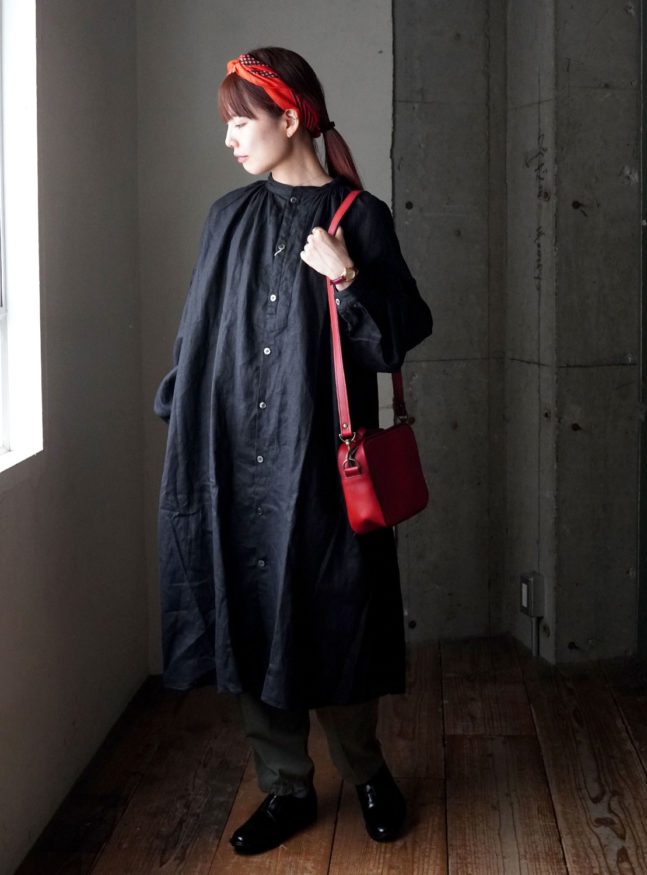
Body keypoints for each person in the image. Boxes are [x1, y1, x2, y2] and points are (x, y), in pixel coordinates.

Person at [154, 47, 432, 856]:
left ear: (289, 117)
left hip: (321, 460)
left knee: (337, 608)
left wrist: (346, 279)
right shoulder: (226, 218)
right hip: (237, 458)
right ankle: (285, 785)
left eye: (241, 122)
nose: (230, 138)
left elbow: (397, 338)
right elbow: (198, 335)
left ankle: (367, 770)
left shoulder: (359, 216)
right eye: (227, 124)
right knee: (250, 611)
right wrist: (182, 417)